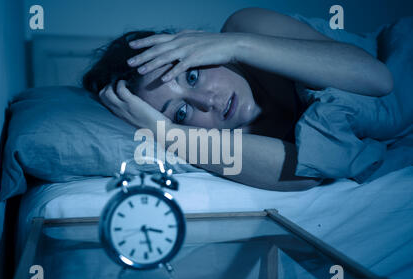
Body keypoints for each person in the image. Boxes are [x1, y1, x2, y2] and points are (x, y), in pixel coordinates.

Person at [83, 7, 393, 191]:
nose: (207, 100)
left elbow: (377, 79)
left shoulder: (245, 29)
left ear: (198, 47)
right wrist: (168, 134)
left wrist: (236, 45)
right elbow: (305, 174)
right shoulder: (228, 148)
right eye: (181, 112)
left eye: (191, 76)